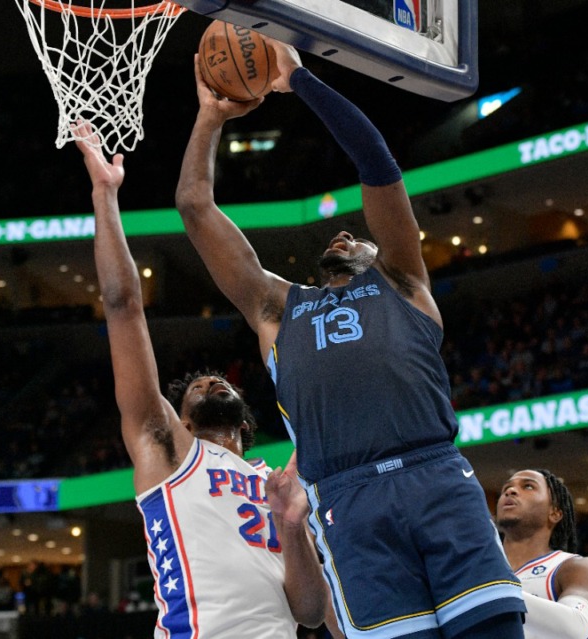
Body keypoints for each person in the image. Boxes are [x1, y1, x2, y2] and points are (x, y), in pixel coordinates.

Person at [176, 40, 525, 639]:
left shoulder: (404, 280)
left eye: (355, 233)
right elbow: (194, 205)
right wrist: (210, 118)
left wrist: (300, 81)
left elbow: (376, 162)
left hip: (435, 474)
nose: (344, 231)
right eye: (340, 233)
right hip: (346, 500)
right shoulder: (278, 308)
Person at [74, 121, 328, 637]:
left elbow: (310, 612)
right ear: (182, 419)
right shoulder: (169, 449)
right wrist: (105, 195)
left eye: (220, 383)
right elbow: (123, 307)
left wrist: (292, 526)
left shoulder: (278, 484)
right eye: (198, 388)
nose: (213, 383)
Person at [495, 469, 588, 639]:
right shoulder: (476, 570)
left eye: (528, 486)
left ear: (554, 513)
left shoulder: (575, 568)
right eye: (506, 489)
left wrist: (490, 590)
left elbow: (578, 628)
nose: (510, 491)